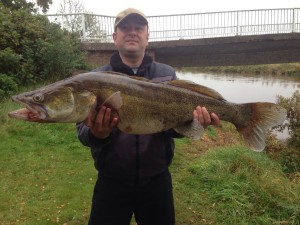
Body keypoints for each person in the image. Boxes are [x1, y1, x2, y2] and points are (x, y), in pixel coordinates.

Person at [76, 8, 219, 225]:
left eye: (138, 28)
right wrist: (98, 134)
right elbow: (83, 132)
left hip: (157, 183)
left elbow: (175, 129)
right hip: (111, 183)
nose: (132, 32)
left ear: (147, 37)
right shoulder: (95, 78)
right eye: (124, 27)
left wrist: (195, 122)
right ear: (115, 37)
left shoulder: (167, 75)